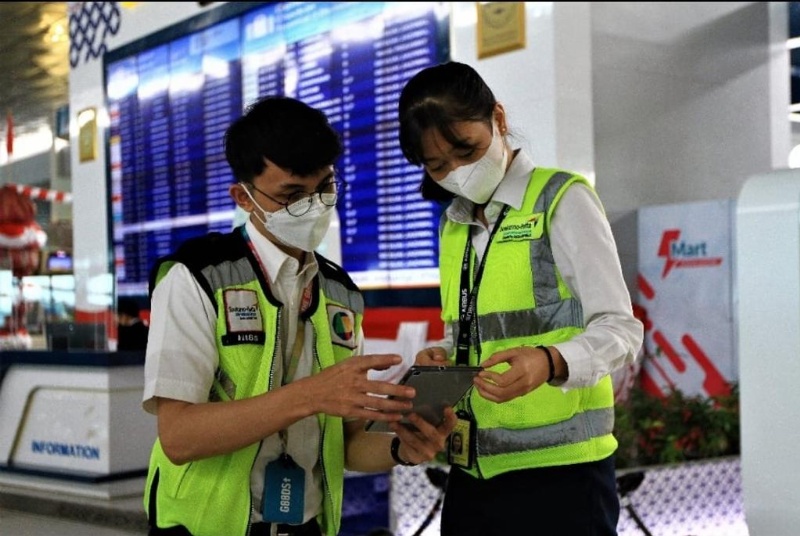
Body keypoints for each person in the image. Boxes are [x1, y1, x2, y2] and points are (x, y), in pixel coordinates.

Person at [142, 96, 456, 536]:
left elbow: (347, 444)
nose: (314, 206)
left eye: (324, 188)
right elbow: (179, 437)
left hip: (307, 526)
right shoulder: (197, 278)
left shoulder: (339, 292)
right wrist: (309, 396)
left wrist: (403, 448)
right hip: (205, 528)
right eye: (292, 194)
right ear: (244, 198)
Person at [398, 61, 644, 535]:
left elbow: (621, 328)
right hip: (473, 473)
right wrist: (445, 357)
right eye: (436, 165)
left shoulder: (561, 199)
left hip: (562, 477)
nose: (456, 172)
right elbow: (476, 330)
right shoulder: (454, 226)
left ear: (499, 119)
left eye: (465, 150)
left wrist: (549, 362)